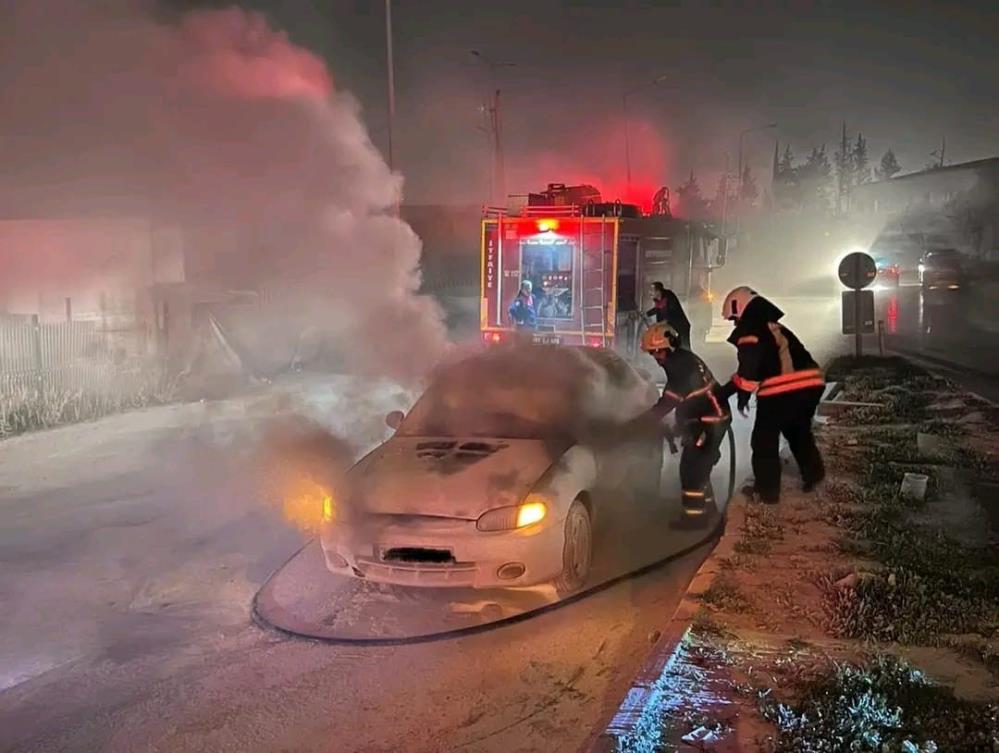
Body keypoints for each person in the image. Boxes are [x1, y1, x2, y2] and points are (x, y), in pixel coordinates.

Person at [718, 286, 826, 504]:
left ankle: (767, 493)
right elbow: (761, 366)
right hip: (811, 383)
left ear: (738, 308)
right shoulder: (772, 326)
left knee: (763, 440)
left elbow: (749, 372)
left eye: (733, 318)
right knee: (797, 432)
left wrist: (725, 392)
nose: (734, 323)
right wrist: (744, 394)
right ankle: (814, 475)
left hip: (784, 389)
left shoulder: (750, 331)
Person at [640, 322, 731, 517]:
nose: (656, 357)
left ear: (670, 345)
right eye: (652, 353)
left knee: (691, 470)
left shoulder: (680, 367)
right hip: (706, 419)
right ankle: (708, 510)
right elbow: (687, 400)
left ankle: (694, 518)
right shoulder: (682, 359)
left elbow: (668, 402)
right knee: (700, 467)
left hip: (710, 422)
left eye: (658, 351)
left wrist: (643, 421)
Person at [646, 282, 691, 349]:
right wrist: (646, 314)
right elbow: (658, 309)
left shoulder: (669, 297)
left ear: (658, 291)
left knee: (684, 348)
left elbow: (671, 314)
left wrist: (658, 324)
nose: (649, 292)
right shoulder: (658, 300)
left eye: (652, 290)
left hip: (680, 326)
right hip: (670, 329)